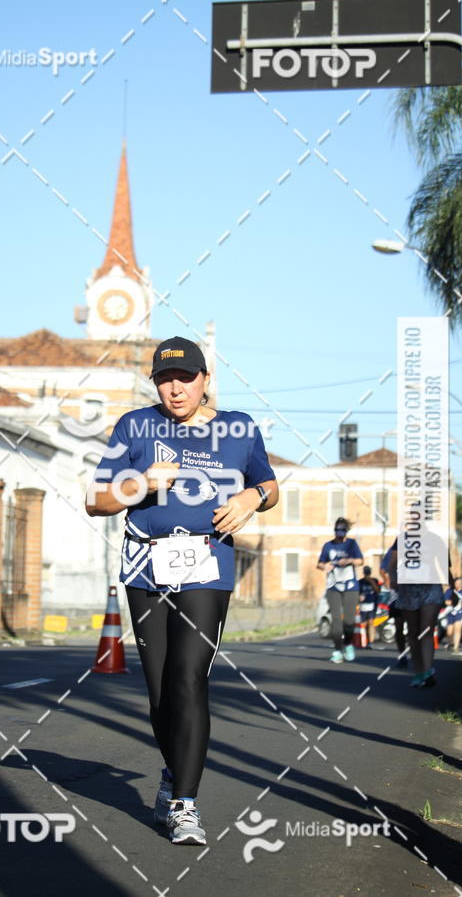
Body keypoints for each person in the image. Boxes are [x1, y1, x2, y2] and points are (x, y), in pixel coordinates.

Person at [86, 336, 279, 846]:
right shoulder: (135, 426)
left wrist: (252, 497)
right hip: (145, 562)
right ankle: (174, 777)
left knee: (189, 678)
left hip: (206, 563)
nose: (175, 389)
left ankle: (184, 805)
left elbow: (270, 485)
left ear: (205, 380)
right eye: (165, 380)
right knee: (160, 691)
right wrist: (140, 484)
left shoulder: (239, 427)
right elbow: (95, 500)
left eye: (186, 378)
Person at [385, 537, 455, 687]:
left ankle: (428, 671)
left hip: (430, 589)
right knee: (413, 632)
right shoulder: (402, 539)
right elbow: (392, 565)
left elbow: (444, 565)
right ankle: (419, 671)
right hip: (408, 589)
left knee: (426, 631)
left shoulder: (436, 539)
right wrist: (394, 579)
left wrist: (452, 586)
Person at [316, 518, 364, 663]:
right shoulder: (328, 546)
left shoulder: (351, 544)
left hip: (350, 586)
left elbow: (360, 561)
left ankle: (348, 643)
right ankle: (337, 649)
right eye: (337, 530)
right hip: (333, 586)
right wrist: (325, 566)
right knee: (336, 621)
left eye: (342, 530)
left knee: (349, 621)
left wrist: (349, 561)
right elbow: (319, 564)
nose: (339, 533)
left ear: (346, 531)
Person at [380, 547, 407, 668]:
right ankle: (402, 655)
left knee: (414, 626)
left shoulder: (419, 546)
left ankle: (418, 654)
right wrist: (387, 580)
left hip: (413, 592)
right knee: (399, 625)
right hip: (397, 593)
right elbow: (382, 569)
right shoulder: (394, 549)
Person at [358, 565, 380, 649]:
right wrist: (359, 597)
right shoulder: (360, 582)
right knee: (364, 623)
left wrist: (371, 582)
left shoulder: (375, 580)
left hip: (372, 604)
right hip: (363, 605)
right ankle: (365, 641)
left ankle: (370, 642)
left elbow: (378, 591)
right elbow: (357, 593)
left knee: (371, 622)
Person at [443, 577, 462, 655]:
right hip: (450, 613)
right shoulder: (450, 591)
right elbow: (445, 601)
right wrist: (452, 602)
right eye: (456, 583)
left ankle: (456, 647)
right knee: (449, 632)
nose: (457, 584)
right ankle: (450, 642)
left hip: (460, 613)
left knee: (457, 629)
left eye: (459, 583)